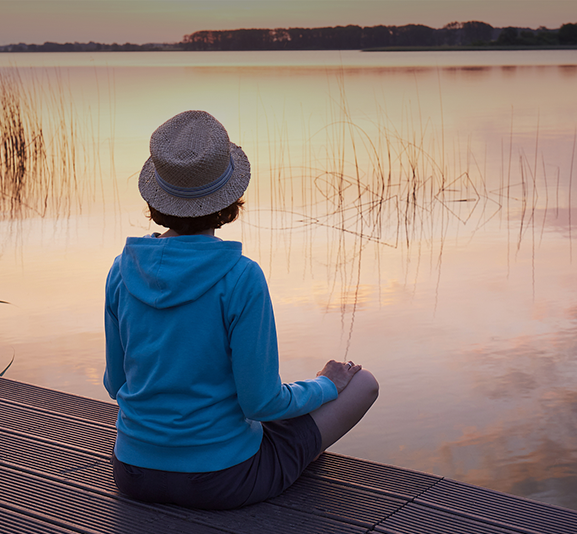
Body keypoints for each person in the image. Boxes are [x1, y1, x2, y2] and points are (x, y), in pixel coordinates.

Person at [104, 110, 379, 510]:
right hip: (223, 480)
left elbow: (116, 385)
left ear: (157, 197)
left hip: (132, 472)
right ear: (229, 198)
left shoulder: (121, 271)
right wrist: (325, 385)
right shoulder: (240, 276)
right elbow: (261, 405)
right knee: (364, 383)